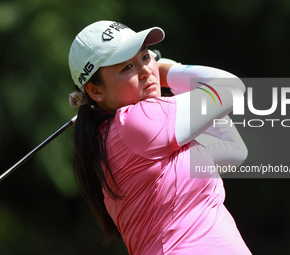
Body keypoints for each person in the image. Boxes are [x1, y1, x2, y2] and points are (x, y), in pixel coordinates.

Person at [68, 20, 251, 255]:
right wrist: (167, 72)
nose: (146, 71)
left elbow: (232, 150)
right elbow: (230, 87)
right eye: (127, 68)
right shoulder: (136, 122)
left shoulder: (115, 135)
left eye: (145, 57)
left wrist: (166, 78)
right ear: (95, 90)